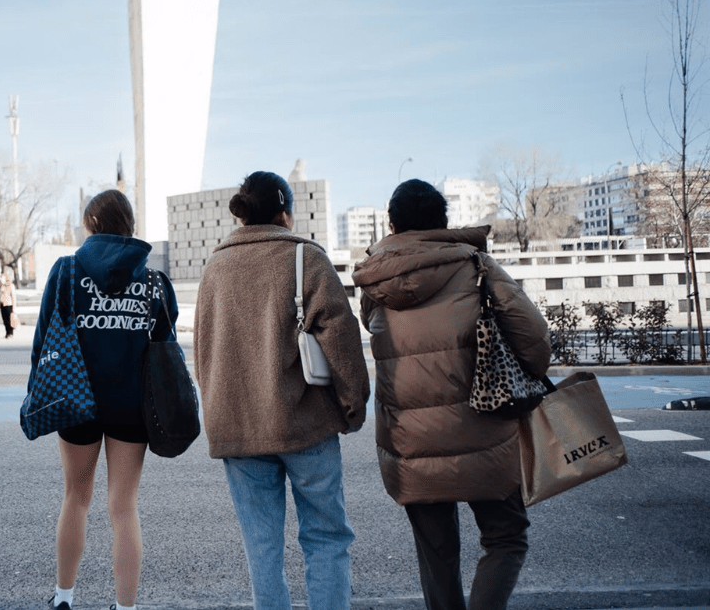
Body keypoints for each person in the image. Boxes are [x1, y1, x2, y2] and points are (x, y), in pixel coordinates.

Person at [351, 179, 551, 610]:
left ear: (392, 223)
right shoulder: (477, 267)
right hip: (486, 430)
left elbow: (374, 329)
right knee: (506, 537)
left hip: (410, 441)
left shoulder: (375, 282)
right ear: (444, 223)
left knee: (436, 554)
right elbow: (535, 343)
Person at [194, 171, 370, 610]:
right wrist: (353, 404)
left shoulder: (215, 266)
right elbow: (341, 337)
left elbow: (203, 351)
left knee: (262, 548)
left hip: (239, 428)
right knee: (326, 536)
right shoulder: (305, 257)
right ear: (285, 212)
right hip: (305, 421)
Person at [33, 189, 178, 610]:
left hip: (74, 399)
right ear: (129, 226)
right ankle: (125, 606)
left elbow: (43, 338)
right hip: (132, 407)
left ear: (91, 224)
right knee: (123, 506)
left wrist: (37, 393)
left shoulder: (65, 271)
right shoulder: (153, 281)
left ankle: (63, 598)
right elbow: (165, 346)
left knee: (75, 498)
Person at [0, 270, 16, 338]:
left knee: (10, 319)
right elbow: (0, 296)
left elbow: (13, 297)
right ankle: (7, 332)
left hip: (9, 304)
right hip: (3, 304)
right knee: (5, 320)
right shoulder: (2, 286)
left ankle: (10, 332)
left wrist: (14, 307)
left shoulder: (11, 286)